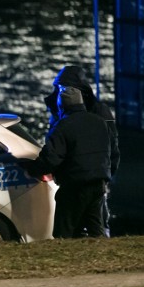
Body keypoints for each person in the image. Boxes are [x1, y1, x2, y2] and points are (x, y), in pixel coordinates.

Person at [26, 86, 113, 239]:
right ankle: (101, 259)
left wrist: (31, 168)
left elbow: (51, 159)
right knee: (95, 229)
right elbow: (109, 151)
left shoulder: (63, 127)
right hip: (99, 182)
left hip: (75, 186)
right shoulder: (100, 122)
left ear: (62, 106)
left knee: (63, 232)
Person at [44, 65, 120, 235]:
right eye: (61, 88)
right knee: (91, 227)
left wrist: (105, 174)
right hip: (77, 179)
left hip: (87, 179)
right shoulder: (59, 111)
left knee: (88, 226)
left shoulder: (99, 112)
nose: (63, 91)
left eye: (67, 88)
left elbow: (112, 148)